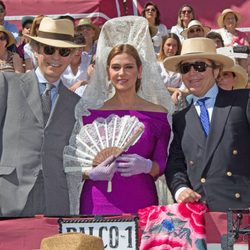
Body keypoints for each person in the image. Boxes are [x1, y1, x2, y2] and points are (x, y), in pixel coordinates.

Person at [64, 16, 174, 215]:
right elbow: (72, 163)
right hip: (96, 201)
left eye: (129, 67)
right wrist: (90, 173)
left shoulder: (158, 114)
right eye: (115, 67)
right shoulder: (90, 114)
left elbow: (162, 165)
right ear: (107, 72)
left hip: (141, 201)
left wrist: (147, 166)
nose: (122, 73)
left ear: (140, 71)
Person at [0, 17, 83, 217]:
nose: (56, 57)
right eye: (48, 49)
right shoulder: (6, 83)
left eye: (63, 51)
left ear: (71, 54)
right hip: (9, 197)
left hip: (55, 202)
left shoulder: (75, 103)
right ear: (35, 49)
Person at [164, 37, 250, 212]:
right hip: (200, 216)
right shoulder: (180, 118)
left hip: (243, 212)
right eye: (185, 68)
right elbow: (175, 164)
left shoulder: (243, 101)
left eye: (200, 66)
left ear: (216, 70)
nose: (192, 73)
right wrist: (180, 189)